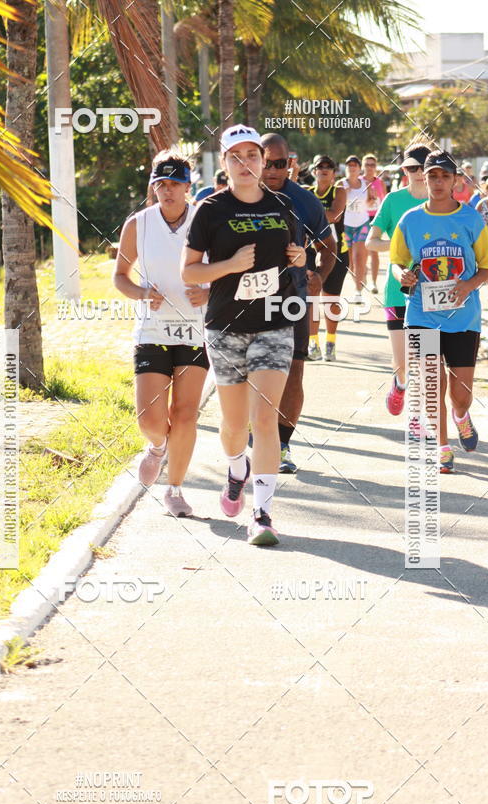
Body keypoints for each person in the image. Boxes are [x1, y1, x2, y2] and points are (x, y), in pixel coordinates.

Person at [181, 124, 306, 545]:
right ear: (225, 162)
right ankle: (237, 469)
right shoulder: (210, 210)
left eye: (252, 155)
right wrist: (229, 266)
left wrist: (299, 257)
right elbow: (189, 272)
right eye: (236, 156)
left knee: (264, 418)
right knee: (234, 425)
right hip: (226, 326)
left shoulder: (282, 205)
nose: (245, 163)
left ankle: (263, 513)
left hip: (275, 320)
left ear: (263, 160)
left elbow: (294, 255)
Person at [114, 150, 209, 516]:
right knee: (151, 421)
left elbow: (228, 273)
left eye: (175, 184)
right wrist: (141, 293)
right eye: (161, 184)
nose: (167, 191)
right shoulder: (138, 224)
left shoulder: (205, 220)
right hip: (152, 330)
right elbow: (120, 277)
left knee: (185, 415)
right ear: (153, 187)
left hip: (195, 331)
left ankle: (175, 490)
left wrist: (209, 293)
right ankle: (157, 447)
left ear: (188, 187)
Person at [390, 149, 488, 474]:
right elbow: (396, 261)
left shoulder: (470, 219)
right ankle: (442, 447)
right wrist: (402, 275)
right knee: (432, 383)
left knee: (460, 395)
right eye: (432, 176)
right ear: (424, 178)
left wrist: (468, 286)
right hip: (421, 314)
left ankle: (461, 416)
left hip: (463, 317)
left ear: (455, 181)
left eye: (444, 176)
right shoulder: (410, 220)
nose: (437, 182)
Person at [260, 134, 335, 473]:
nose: (272, 170)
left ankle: (282, 444)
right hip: (246, 302)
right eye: (266, 163)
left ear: (290, 164)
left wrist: (319, 274)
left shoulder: (304, 201)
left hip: (292, 299)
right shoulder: (237, 198)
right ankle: (255, 434)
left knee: (293, 371)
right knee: (252, 374)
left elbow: (328, 246)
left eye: (279, 163)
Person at [366, 144, 431, 415]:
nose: (419, 173)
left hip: (432, 292)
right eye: (412, 168)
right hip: (397, 290)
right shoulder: (393, 200)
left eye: (423, 167)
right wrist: (400, 246)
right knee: (403, 362)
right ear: (404, 170)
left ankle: (421, 422)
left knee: (426, 363)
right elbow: (371, 242)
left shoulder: (442, 201)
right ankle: (400, 384)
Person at [308, 154, 349, 362]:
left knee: (331, 300)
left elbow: (334, 215)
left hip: (336, 252)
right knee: (311, 298)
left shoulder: (338, 191)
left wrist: (308, 214)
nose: (324, 169)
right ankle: (313, 343)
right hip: (310, 251)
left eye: (328, 167)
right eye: (320, 166)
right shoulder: (306, 192)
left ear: (334, 173)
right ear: (314, 171)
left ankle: (330, 343)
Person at [339, 155, 374, 301]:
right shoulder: (341, 184)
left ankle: (358, 292)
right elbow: (336, 205)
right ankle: (359, 280)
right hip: (345, 225)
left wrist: (372, 200)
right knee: (350, 263)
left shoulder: (366, 184)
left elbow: (371, 201)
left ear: (360, 169)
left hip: (362, 224)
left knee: (359, 258)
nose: (352, 168)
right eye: (349, 165)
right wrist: (344, 194)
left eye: (355, 165)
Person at [362, 153, 386, 294]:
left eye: (372, 165)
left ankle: (373, 282)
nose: (370, 167)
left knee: (373, 250)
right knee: (360, 253)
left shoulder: (380, 182)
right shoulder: (359, 182)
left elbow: (385, 201)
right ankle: (363, 273)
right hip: (360, 218)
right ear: (363, 166)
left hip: (375, 218)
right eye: (367, 164)